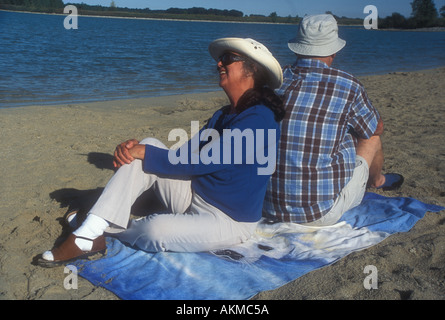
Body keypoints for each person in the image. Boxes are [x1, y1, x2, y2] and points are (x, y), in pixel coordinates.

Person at [38, 37, 285, 267]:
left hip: (229, 220)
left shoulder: (260, 119)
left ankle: (97, 229)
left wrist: (143, 152)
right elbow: (186, 153)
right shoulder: (224, 114)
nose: (219, 63)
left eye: (229, 59)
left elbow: (200, 161)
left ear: (252, 70)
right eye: (221, 59)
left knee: (155, 230)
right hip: (195, 194)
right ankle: (89, 232)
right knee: (148, 146)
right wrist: (136, 150)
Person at [263, 14, 404, 226]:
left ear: (297, 48)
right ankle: (377, 180)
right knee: (370, 137)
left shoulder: (274, 81)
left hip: (268, 206)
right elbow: (376, 128)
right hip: (319, 213)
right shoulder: (348, 85)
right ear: (334, 50)